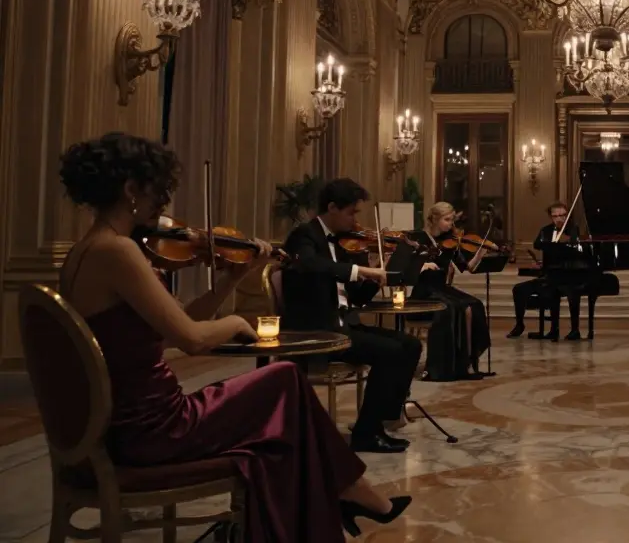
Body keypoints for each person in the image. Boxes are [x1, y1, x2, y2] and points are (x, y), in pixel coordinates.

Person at [55, 133, 410, 542]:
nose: (164, 204)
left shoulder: (85, 251)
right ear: (131, 190)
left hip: (125, 422)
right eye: (159, 190)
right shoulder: (118, 252)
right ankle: (345, 494)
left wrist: (233, 278)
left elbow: (179, 322)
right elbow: (192, 339)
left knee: (282, 400)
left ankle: (339, 496)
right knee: (285, 382)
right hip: (154, 428)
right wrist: (239, 322)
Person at [281, 177, 423, 454]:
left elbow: (354, 297)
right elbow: (309, 264)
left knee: (411, 345)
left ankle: (384, 420)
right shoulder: (304, 235)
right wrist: (361, 271)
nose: (355, 220)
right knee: (390, 352)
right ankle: (366, 433)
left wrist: (373, 276)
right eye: (352, 212)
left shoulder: (342, 246)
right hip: (318, 329)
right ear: (332, 207)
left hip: (344, 323)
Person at [409, 201, 493, 381]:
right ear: (434, 219)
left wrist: (480, 253)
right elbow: (407, 267)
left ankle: (467, 362)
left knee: (473, 305)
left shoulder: (451, 241)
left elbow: (467, 267)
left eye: (452, 220)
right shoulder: (419, 238)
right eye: (447, 220)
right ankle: (439, 367)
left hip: (443, 289)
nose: (451, 224)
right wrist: (422, 265)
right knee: (450, 309)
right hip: (424, 291)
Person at [509, 201, 592, 341]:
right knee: (518, 289)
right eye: (555, 216)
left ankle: (572, 330)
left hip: (569, 276)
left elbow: (581, 253)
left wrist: (570, 243)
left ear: (567, 215)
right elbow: (538, 244)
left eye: (562, 215)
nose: (559, 218)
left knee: (555, 290)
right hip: (549, 275)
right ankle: (519, 325)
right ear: (551, 217)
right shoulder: (545, 231)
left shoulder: (574, 230)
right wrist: (542, 262)